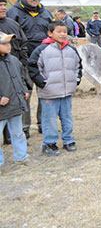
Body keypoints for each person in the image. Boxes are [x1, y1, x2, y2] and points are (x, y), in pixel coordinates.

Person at [28, 22, 82, 156]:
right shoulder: (42, 49)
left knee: (67, 117)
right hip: (49, 93)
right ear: (50, 33)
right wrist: (43, 83)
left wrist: (76, 80)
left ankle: (68, 140)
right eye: (59, 31)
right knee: (49, 119)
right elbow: (33, 67)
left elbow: (78, 66)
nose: (63, 34)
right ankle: (49, 143)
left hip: (66, 92)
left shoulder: (71, 50)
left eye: (65, 31)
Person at [7, 0, 53, 133]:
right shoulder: (13, 13)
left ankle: (43, 124)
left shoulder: (45, 13)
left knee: (45, 92)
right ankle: (24, 127)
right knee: (25, 93)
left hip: (44, 59)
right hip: (24, 61)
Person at [0, 0, 31, 139]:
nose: (3, 8)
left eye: (4, 5)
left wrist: (23, 63)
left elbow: (23, 43)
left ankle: (18, 134)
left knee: (19, 102)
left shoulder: (13, 24)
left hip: (15, 67)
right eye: (0, 5)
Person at [0, 32, 30, 166]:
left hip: (15, 105)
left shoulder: (13, 60)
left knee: (18, 133)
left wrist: (23, 90)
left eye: (9, 43)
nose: (8, 46)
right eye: (4, 43)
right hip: (2, 108)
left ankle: (21, 156)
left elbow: (21, 77)